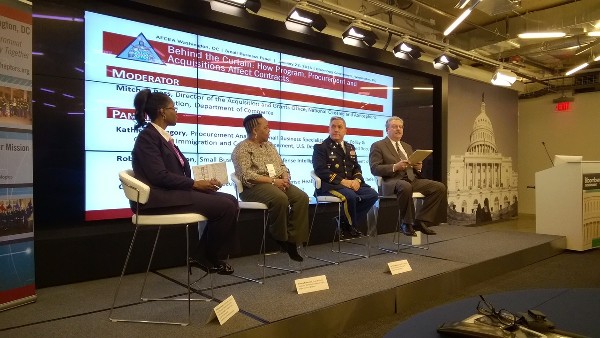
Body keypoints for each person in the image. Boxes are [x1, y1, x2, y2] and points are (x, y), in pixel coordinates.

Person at [131, 89, 238, 275]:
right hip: (158, 199)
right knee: (225, 207)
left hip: (172, 193)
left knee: (231, 201)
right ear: (162, 111)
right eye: (174, 108)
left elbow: (174, 173)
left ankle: (203, 255)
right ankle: (205, 256)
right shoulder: (147, 137)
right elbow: (158, 176)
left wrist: (199, 182)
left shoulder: (163, 138)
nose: (177, 112)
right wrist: (195, 184)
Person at [231, 114, 308, 262]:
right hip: (253, 188)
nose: (269, 130)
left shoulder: (269, 146)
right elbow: (246, 176)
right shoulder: (242, 149)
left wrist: (285, 177)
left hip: (277, 183)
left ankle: (292, 241)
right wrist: (273, 181)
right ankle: (279, 236)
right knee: (280, 198)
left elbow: (282, 165)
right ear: (255, 130)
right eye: (266, 127)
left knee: (301, 197)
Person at [369, 116, 446, 236]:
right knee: (405, 186)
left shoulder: (407, 146)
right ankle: (406, 223)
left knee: (439, 187)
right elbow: (375, 168)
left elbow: (412, 165)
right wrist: (395, 167)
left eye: (401, 127)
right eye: (394, 127)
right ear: (387, 130)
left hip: (411, 179)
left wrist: (418, 166)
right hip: (392, 181)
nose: (398, 129)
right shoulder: (378, 145)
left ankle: (420, 220)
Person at [312, 117, 379, 237]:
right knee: (351, 196)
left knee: (372, 194)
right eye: (333, 126)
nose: (336, 130)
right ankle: (351, 225)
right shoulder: (321, 147)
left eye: (339, 127)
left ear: (345, 131)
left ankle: (343, 221)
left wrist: (357, 180)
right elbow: (320, 170)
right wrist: (343, 181)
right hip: (331, 185)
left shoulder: (350, 147)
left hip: (350, 184)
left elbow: (356, 167)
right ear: (329, 129)